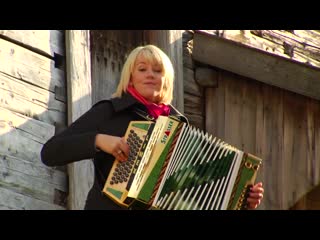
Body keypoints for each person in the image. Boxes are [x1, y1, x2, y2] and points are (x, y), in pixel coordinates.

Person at [41, 44, 264, 210]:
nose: (150, 74)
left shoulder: (179, 126)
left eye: (157, 71)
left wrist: (244, 200)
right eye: (142, 69)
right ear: (130, 77)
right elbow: (50, 152)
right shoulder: (110, 111)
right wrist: (98, 140)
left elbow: (200, 192)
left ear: (166, 79)